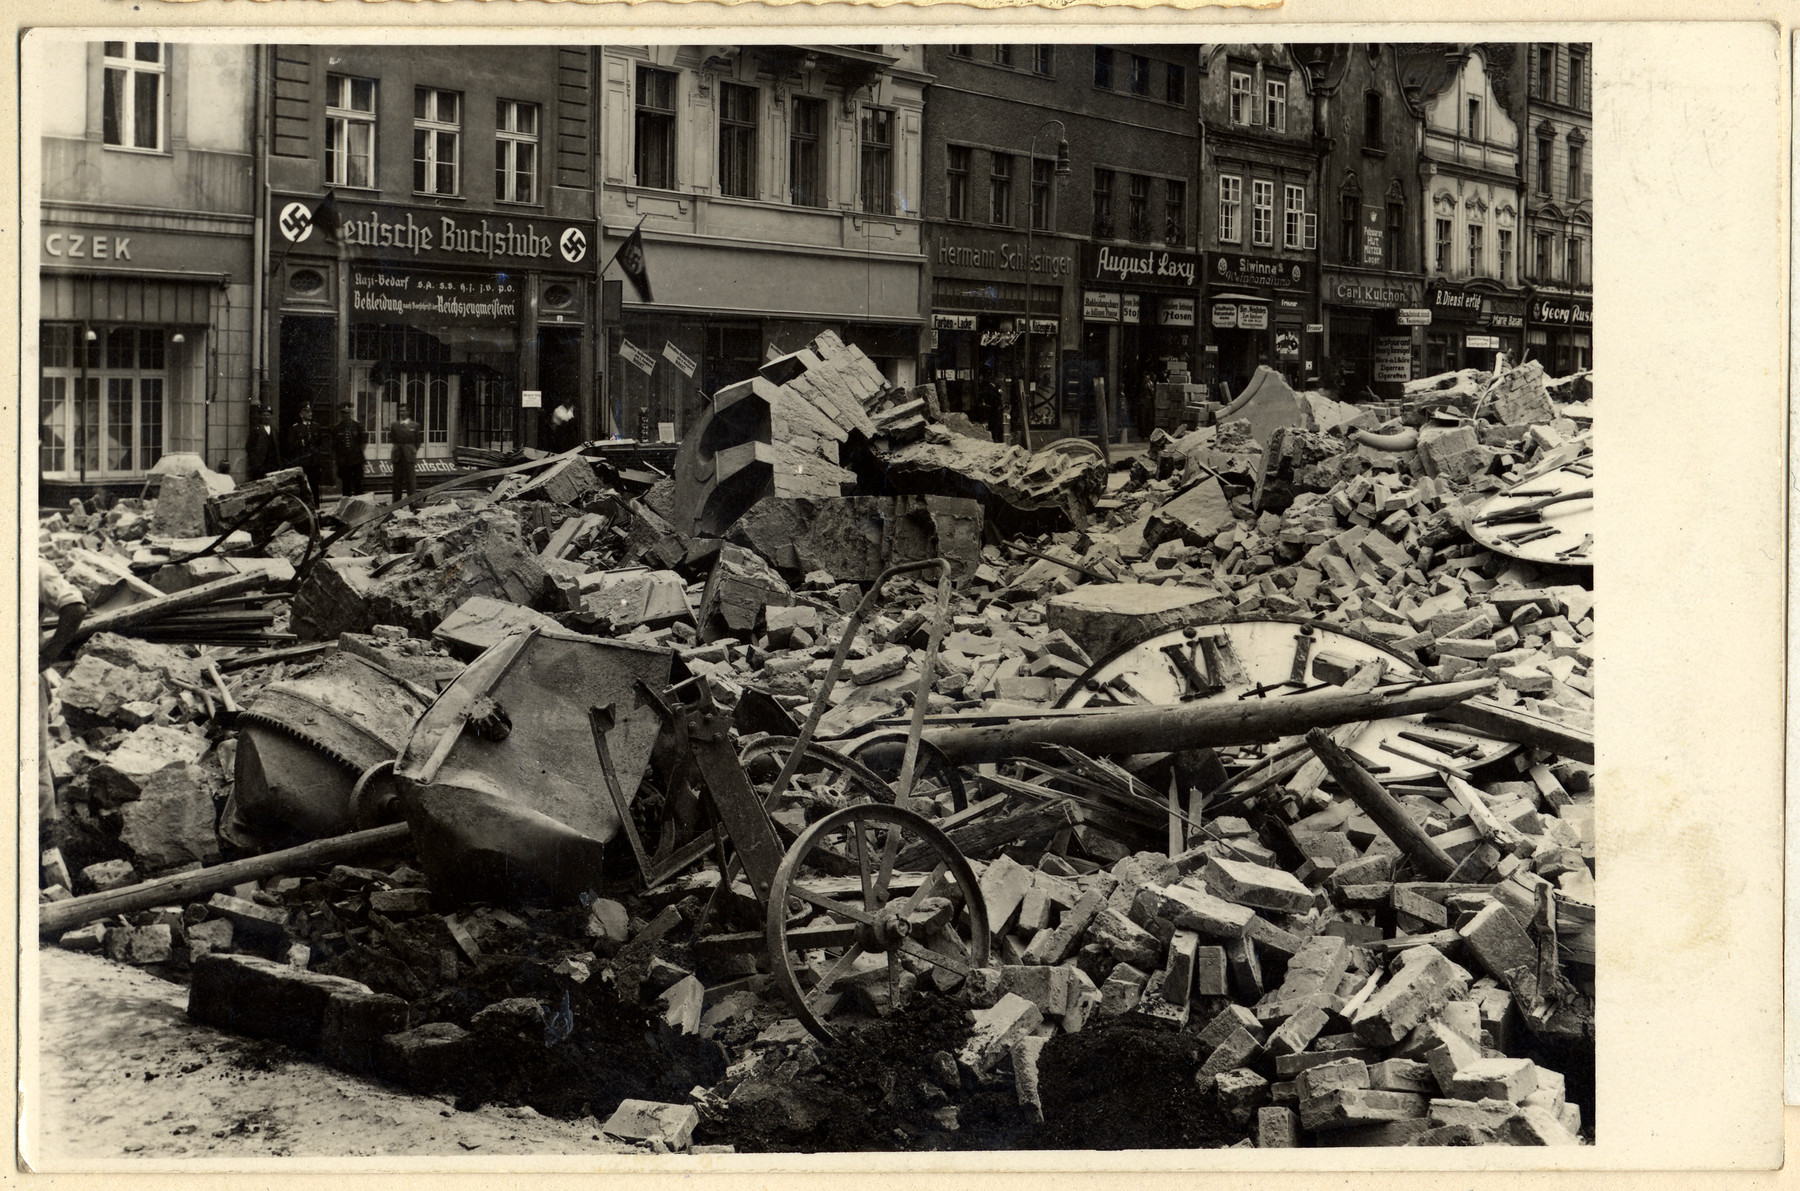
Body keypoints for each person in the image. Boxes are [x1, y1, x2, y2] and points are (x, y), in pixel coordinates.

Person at [39, 560, 87, 827]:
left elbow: (75, 607)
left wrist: (50, 652)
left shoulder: (32, 567)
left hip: (21, 676)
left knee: (29, 759)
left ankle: (41, 837)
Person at [281, 403, 328, 505]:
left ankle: (316, 507)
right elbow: (290, 445)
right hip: (302, 463)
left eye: (310, 411)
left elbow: (320, 445)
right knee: (303, 486)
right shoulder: (295, 428)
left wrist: (320, 460)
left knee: (314, 485)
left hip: (314, 462)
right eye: (306, 411)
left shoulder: (316, 427)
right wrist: (301, 442)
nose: (310, 413)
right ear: (301, 414)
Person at [331, 402, 368, 497]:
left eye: (348, 412)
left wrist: (358, 454)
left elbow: (363, 442)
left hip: (356, 461)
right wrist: (336, 460)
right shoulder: (336, 428)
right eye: (343, 413)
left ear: (351, 413)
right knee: (346, 487)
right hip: (344, 462)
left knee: (358, 486)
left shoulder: (358, 426)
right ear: (340, 414)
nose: (346, 415)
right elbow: (334, 446)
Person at [389, 402, 422, 504]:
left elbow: (418, 442)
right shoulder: (394, 425)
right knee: (397, 483)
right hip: (398, 457)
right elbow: (393, 439)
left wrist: (410, 450)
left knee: (411, 484)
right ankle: (395, 508)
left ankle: (413, 507)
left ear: (408, 412)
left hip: (409, 457)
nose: (401, 413)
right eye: (400, 411)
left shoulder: (415, 425)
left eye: (403, 410)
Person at [245, 404, 279, 481]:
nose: (266, 417)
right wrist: (254, 461)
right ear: (261, 416)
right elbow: (249, 447)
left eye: (268, 415)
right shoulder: (256, 430)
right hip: (260, 463)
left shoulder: (274, 430)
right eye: (264, 415)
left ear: (271, 416)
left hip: (272, 463)